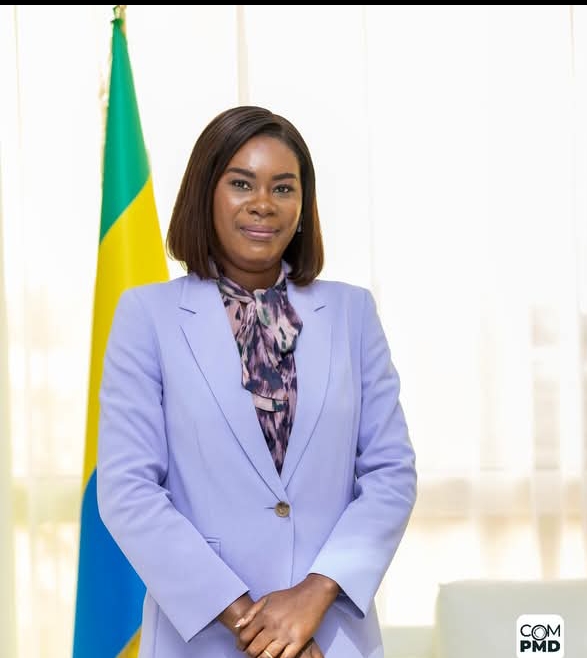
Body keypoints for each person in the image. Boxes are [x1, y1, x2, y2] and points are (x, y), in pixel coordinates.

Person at [97, 105, 417, 658]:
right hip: (203, 638)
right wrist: (258, 626)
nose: (263, 203)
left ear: (303, 206)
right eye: (241, 183)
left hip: (330, 634)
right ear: (205, 194)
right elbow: (128, 491)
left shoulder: (353, 313)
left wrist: (315, 594)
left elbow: (391, 474)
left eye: (283, 187)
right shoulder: (147, 316)